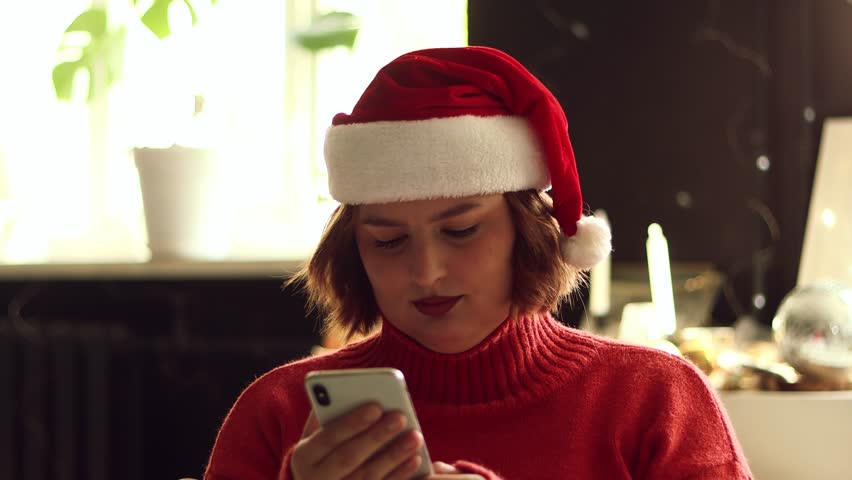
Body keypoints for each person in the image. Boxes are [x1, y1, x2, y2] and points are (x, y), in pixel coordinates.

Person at [203, 46, 752, 480]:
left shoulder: (654, 399)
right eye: (389, 242)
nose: (426, 272)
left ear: (529, 232)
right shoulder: (278, 415)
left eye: (461, 231)